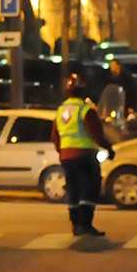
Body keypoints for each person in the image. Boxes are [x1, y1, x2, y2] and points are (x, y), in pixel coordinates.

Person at [52, 73, 113, 238]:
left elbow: (55, 136)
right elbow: (97, 135)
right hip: (85, 156)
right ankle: (85, 224)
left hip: (66, 157)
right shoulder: (85, 110)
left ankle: (76, 225)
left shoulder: (61, 110)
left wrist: (63, 152)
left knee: (73, 190)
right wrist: (109, 149)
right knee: (90, 189)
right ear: (83, 90)